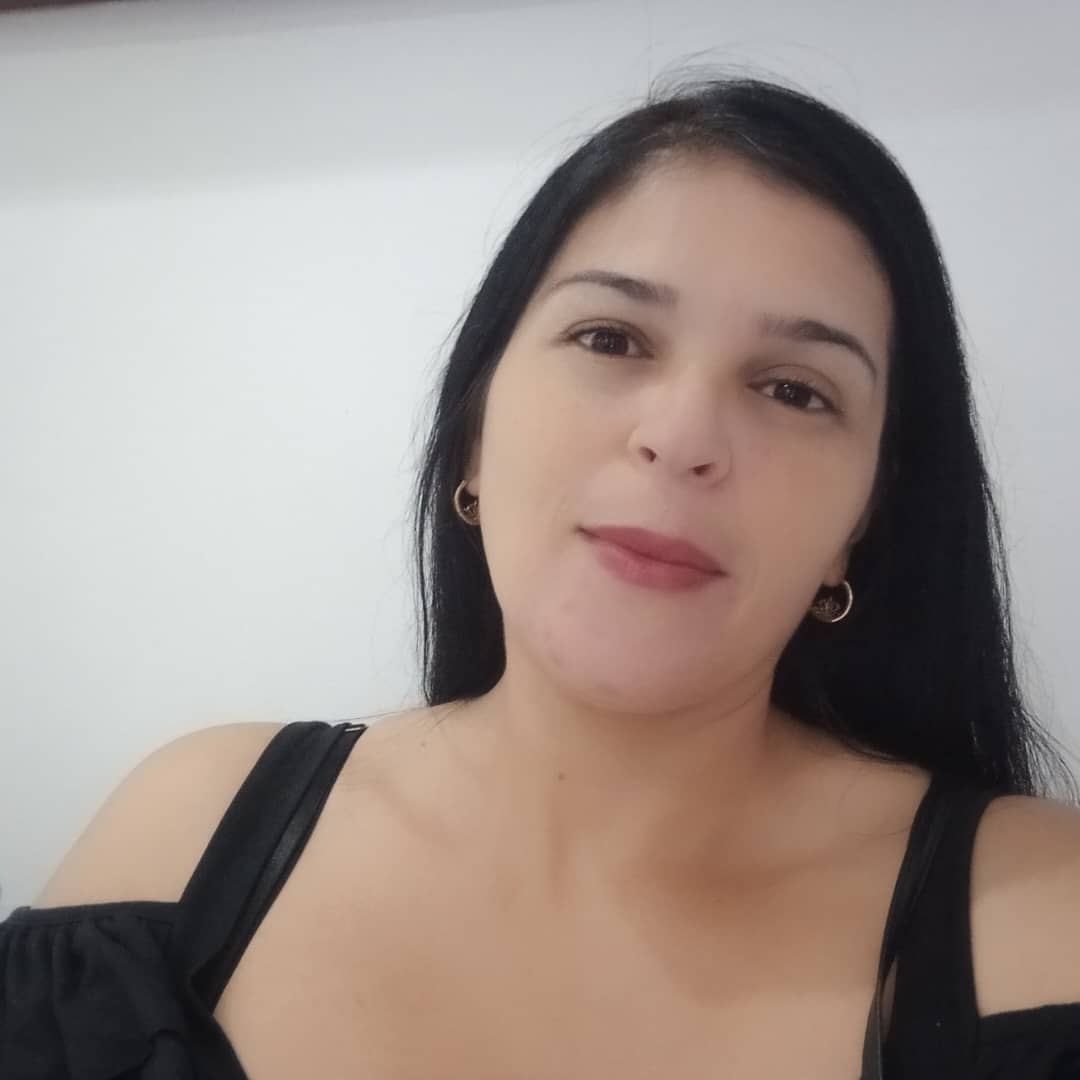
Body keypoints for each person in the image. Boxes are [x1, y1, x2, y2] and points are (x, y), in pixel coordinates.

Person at [3, 73, 1080, 1080]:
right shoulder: (184, 842)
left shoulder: (1043, 923)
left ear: (861, 524)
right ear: (473, 435)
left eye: (796, 391)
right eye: (611, 337)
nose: (681, 436)